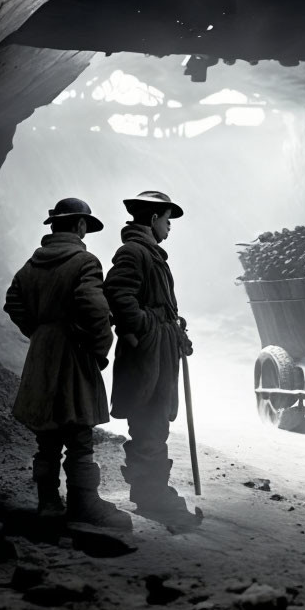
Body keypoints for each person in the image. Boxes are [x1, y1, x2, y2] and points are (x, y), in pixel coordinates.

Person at [4, 198, 132, 530]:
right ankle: (83, 503)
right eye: (85, 227)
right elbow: (94, 309)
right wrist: (99, 349)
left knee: (46, 436)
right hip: (74, 354)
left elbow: (13, 302)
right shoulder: (84, 262)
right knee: (79, 434)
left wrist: (39, 332)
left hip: (41, 355)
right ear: (79, 226)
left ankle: (48, 503)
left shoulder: (30, 265)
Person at [103, 191, 197, 525]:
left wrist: (175, 334)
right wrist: (147, 328)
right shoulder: (133, 252)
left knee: (154, 421)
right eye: (168, 219)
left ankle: (149, 492)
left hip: (158, 351)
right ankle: (153, 497)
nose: (170, 226)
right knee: (150, 421)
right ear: (154, 219)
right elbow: (117, 293)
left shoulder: (150, 253)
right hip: (148, 356)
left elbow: (161, 307)